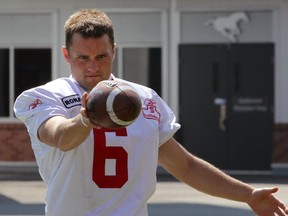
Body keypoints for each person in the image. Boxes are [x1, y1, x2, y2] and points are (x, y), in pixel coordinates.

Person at [14, 8, 288, 216]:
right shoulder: (46, 95)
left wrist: (248, 194)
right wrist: (86, 118)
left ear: (114, 51)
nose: (93, 67)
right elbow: (60, 137)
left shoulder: (142, 99)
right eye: (82, 58)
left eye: (101, 56)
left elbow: (186, 166)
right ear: (66, 54)